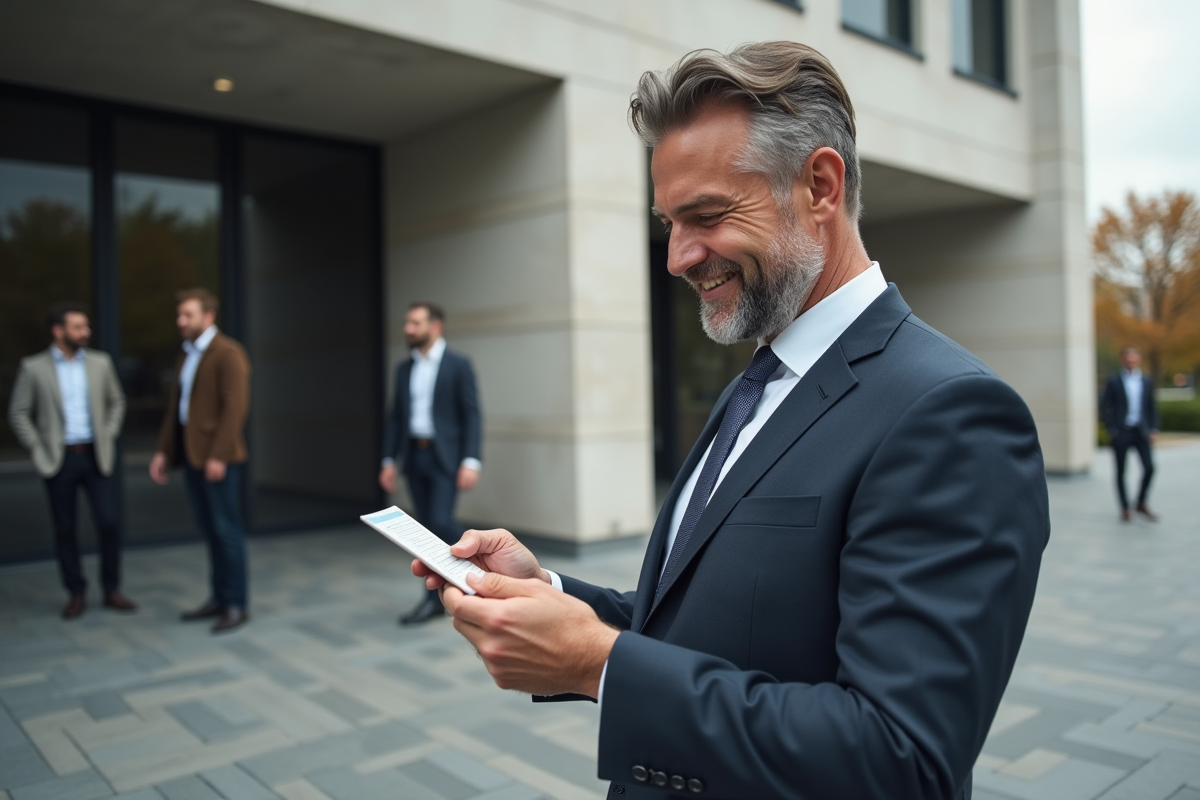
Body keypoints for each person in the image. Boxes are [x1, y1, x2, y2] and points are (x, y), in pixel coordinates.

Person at [416, 42, 1050, 800]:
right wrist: (552, 592)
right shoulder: (758, 380)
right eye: (668, 223)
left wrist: (600, 666)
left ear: (819, 185)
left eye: (707, 216)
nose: (678, 257)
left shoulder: (952, 415)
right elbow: (697, 624)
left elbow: (900, 760)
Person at [8, 302, 135, 619]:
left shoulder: (100, 363)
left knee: (109, 523)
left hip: (96, 456)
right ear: (58, 330)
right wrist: (38, 447)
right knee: (65, 529)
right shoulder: (33, 367)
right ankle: (76, 592)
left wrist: (108, 432)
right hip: (59, 459)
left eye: (86, 326)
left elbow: (117, 401)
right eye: (78, 327)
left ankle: (111, 589)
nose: (85, 332)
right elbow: (18, 413)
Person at [149, 288, 252, 634]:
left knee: (227, 531)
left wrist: (219, 455)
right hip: (191, 457)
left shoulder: (228, 352)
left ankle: (236, 604)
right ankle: (219, 598)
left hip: (217, 460)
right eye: (179, 315)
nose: (180, 321)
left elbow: (234, 408)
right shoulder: (187, 354)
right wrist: (164, 451)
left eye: (187, 315)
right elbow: (177, 409)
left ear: (208, 316)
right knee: (210, 530)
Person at [380, 302, 482, 625]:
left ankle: (478, 561)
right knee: (423, 529)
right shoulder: (404, 368)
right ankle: (433, 599)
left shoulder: (458, 365)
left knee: (439, 522)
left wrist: (471, 460)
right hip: (415, 455)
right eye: (408, 322)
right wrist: (388, 460)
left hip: (445, 458)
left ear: (435, 326)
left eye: (415, 323)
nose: (408, 328)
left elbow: (471, 415)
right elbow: (395, 418)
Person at [1100, 345, 1159, 521]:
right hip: (1121, 432)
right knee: (1120, 471)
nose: (1131, 360)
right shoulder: (1114, 380)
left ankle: (1140, 502)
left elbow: (1151, 406)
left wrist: (1154, 428)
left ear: (1138, 359)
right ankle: (1125, 508)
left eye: (1134, 357)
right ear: (1123, 360)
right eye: (1128, 358)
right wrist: (1111, 428)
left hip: (1141, 431)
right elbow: (1104, 405)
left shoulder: (1146, 380)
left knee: (1150, 468)